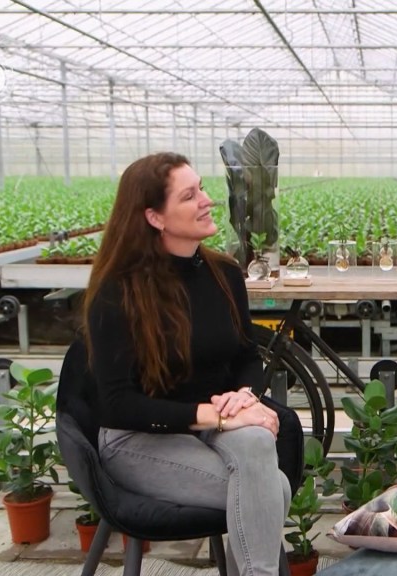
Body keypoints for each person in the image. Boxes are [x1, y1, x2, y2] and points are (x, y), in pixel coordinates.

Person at [82, 152, 290, 576]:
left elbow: (247, 355)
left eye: (202, 189)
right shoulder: (117, 291)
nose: (207, 201)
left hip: (212, 426)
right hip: (138, 439)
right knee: (274, 488)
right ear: (155, 217)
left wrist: (244, 396)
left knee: (256, 443)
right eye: (189, 195)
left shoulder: (224, 274)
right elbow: (117, 405)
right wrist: (216, 416)